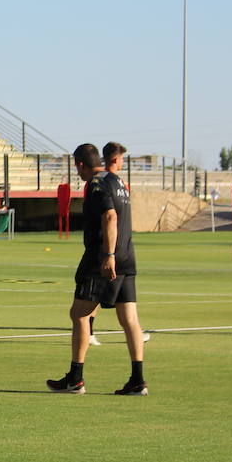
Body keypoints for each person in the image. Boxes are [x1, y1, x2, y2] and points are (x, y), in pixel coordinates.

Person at [47, 143, 147, 396]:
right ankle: (137, 380)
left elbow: (110, 216)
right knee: (130, 320)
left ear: (80, 164)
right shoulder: (120, 182)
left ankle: (75, 378)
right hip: (128, 257)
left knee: (79, 314)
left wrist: (108, 255)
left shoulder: (96, 184)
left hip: (102, 258)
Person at [88, 142, 151, 346]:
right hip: (122, 254)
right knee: (92, 302)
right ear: (114, 159)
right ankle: (137, 374)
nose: (123, 162)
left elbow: (113, 218)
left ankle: (87, 335)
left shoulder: (114, 183)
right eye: (122, 158)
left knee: (88, 302)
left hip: (114, 254)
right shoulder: (115, 183)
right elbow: (110, 217)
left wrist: (110, 253)